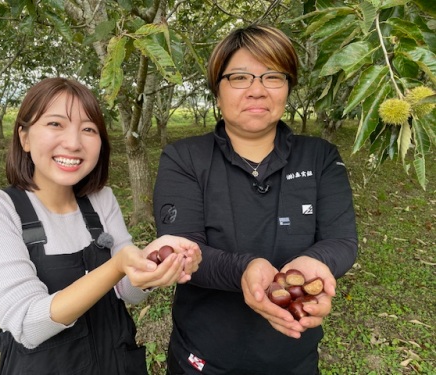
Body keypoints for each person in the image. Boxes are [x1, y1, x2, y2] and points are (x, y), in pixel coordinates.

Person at [153, 25, 358, 374]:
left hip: (293, 356)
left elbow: (341, 239)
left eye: (272, 77)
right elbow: (185, 250)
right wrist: (244, 269)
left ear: (288, 88)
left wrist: (315, 263)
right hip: (203, 358)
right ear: (217, 90)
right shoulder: (184, 158)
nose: (257, 91)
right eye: (240, 77)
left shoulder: (319, 157)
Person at [0, 77, 202, 375]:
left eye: (88, 129)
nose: (74, 143)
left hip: (117, 362)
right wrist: (117, 265)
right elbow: (27, 324)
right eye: (55, 124)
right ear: (24, 137)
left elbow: (129, 292)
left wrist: (155, 264)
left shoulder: (100, 200)